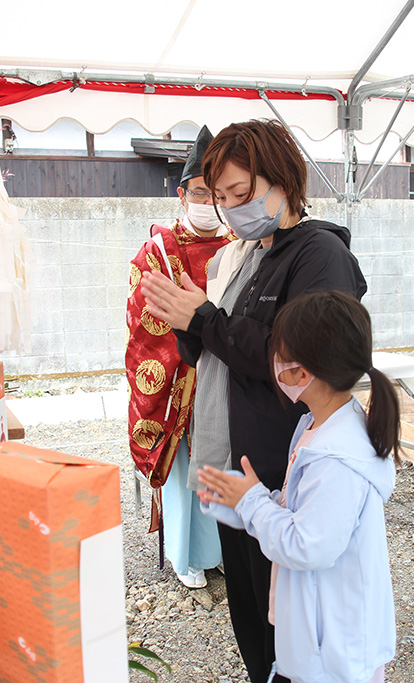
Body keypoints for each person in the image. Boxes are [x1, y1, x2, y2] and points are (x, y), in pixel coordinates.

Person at [141, 119, 367, 683]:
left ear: (283, 181)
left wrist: (207, 319)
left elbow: (294, 361)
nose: (231, 209)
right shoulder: (241, 255)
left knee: (285, 619)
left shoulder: (317, 255)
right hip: (232, 457)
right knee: (247, 609)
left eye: (241, 194)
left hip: (279, 467)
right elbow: (212, 353)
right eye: (220, 198)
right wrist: (188, 320)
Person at [197, 290, 398, 683]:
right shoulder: (316, 426)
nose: (272, 362)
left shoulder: (335, 458)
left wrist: (253, 502)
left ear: (301, 373)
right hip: (321, 634)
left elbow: (307, 544)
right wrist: (240, 500)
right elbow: (297, 511)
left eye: (277, 352)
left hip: (333, 651)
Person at [125, 125, 233, 589]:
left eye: (217, 194)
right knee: (185, 466)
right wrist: (186, 350)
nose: (208, 203)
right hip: (176, 381)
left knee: (223, 464)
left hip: (225, 374)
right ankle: (184, 555)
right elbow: (142, 317)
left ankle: (222, 550)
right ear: (182, 192)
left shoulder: (238, 245)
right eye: (201, 192)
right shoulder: (158, 252)